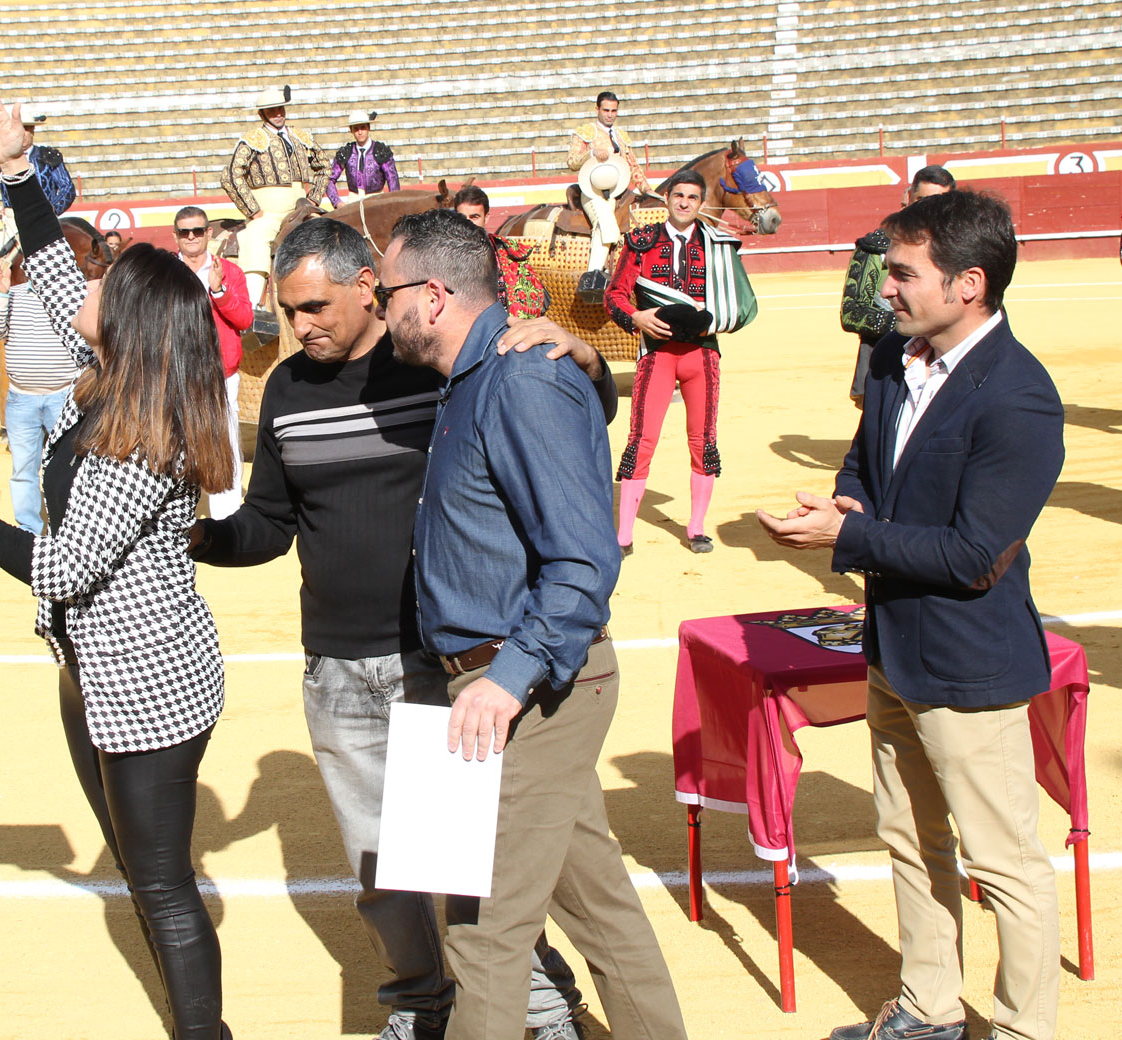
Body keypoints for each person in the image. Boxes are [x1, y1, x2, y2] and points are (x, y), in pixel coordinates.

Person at [192, 216, 616, 1040]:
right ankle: (422, 1003)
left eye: (315, 305)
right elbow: (272, 523)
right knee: (383, 872)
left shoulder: (439, 362)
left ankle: (538, 1004)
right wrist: (204, 537)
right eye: (289, 308)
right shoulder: (283, 391)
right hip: (338, 669)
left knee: (466, 863)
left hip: (440, 661)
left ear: (367, 289)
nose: (300, 324)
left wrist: (590, 357)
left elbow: (564, 425)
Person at [0, 82, 238, 1040]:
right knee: (137, 867)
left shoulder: (136, 434)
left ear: (133, 323)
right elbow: (42, 267)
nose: (81, 287)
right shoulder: (124, 386)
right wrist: (12, 166)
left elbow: (63, 569)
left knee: (160, 886)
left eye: (101, 285)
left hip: (146, 681)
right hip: (102, 671)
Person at [372, 208, 686, 1040]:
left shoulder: (519, 376)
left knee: (483, 931)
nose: (378, 303)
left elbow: (584, 561)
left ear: (433, 296)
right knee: (601, 908)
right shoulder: (492, 372)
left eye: (386, 289)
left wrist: (507, 680)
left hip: (527, 683)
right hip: (501, 680)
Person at [758, 189, 1064, 1040]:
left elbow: (974, 557)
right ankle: (929, 1010)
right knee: (908, 837)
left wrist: (849, 537)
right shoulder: (897, 360)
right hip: (893, 645)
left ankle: (1021, 1032)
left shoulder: (1020, 397)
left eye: (902, 274)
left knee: (1004, 865)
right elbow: (864, 464)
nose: (884, 289)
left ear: (969, 283)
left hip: (971, 662)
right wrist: (842, 507)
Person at [604, 168, 758, 554]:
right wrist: (636, 317)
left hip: (702, 356)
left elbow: (734, 303)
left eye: (692, 197)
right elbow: (614, 296)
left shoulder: (716, 245)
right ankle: (624, 533)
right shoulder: (642, 242)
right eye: (678, 196)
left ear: (701, 202)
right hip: (656, 355)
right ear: (667, 199)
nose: (685, 202)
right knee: (641, 439)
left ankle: (696, 527)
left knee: (703, 440)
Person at [0, 244, 80, 531]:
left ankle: (70, 529)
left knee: (68, 469)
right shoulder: (13, 294)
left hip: (63, 396)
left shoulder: (70, 296)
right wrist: (1, 292)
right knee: (23, 471)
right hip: (22, 398)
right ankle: (29, 531)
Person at [843, 166, 954, 408]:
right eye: (922, 200)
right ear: (909, 199)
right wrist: (914, 324)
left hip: (947, 359)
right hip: (889, 363)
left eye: (940, 201)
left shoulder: (962, 250)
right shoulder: (877, 246)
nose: (929, 209)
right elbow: (852, 313)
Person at [222, 83, 329, 322]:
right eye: (272, 110)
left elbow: (324, 166)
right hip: (269, 213)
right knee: (256, 238)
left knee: (333, 233)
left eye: (280, 108)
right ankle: (252, 309)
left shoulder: (301, 137)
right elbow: (230, 175)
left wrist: (314, 198)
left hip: (304, 209)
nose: (278, 114)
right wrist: (254, 211)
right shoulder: (253, 140)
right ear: (262, 114)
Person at [172, 204, 253, 517]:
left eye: (197, 231)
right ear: (176, 236)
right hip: (177, 372)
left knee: (226, 444)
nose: (191, 237)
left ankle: (227, 517)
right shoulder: (166, 273)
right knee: (177, 443)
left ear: (208, 233)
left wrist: (219, 291)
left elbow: (245, 318)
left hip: (221, 372)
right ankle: (177, 513)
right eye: (184, 232)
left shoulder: (229, 273)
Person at [568, 91, 646, 301]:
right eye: (606, 110)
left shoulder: (621, 136)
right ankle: (593, 278)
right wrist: (592, 153)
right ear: (597, 110)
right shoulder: (586, 133)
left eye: (614, 111)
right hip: (592, 192)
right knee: (604, 224)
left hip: (619, 192)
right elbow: (572, 161)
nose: (610, 115)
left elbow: (633, 165)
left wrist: (648, 190)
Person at [453, 185, 548, 320]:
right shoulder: (445, 255)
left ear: (486, 218)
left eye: (474, 217)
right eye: (463, 217)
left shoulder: (508, 251)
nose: (468, 223)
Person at [0, 106, 75, 218]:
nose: (21, 134)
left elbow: (67, 187)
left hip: (48, 218)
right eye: (16, 130)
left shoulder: (48, 157)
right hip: (13, 219)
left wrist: (52, 209)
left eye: (25, 129)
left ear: (32, 131)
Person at [327, 110, 400, 205]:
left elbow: (392, 179)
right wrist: (337, 202)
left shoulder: (380, 150)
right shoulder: (346, 151)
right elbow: (329, 179)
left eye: (363, 128)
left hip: (377, 200)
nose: (360, 132)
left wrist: (393, 203)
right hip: (353, 201)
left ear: (368, 128)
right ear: (351, 130)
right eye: (356, 129)